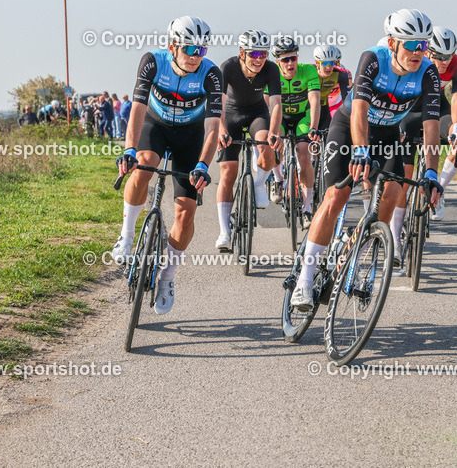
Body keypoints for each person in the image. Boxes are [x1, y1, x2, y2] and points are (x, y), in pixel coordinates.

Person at [291, 9, 444, 311]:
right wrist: (360, 150)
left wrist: (431, 172)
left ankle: (357, 249)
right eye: (411, 45)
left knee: (393, 192)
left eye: (423, 45)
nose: (418, 51)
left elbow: (431, 127)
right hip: (349, 128)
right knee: (336, 196)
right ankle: (304, 281)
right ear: (393, 43)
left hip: (387, 135)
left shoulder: (428, 73)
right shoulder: (373, 58)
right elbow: (359, 108)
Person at [112, 16, 222, 315]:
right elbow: (137, 108)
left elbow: (213, 127)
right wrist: (129, 149)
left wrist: (203, 165)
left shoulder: (212, 74)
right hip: (156, 126)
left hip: (190, 136)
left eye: (201, 50)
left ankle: (167, 277)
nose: (195, 56)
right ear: (172, 46)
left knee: (185, 213)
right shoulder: (152, 61)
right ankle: (127, 235)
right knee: (144, 163)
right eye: (189, 49)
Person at [392, 25, 457, 248]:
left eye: (449, 56)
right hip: (409, 110)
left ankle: (439, 188)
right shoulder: (414, 60)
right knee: (404, 178)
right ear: (427, 50)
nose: (445, 62)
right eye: (439, 56)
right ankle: (394, 239)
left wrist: (456, 128)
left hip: (436, 108)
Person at [214, 30, 283, 251]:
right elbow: (218, 103)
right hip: (231, 115)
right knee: (228, 173)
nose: (259, 59)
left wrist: (274, 133)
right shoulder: (228, 67)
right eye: (254, 54)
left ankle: (258, 185)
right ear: (242, 53)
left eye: (263, 54)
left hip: (257, 114)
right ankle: (224, 232)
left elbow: (276, 104)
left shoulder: (271, 69)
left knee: (266, 148)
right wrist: (221, 130)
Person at [267, 37, 321, 227]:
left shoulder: (309, 71)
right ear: (277, 61)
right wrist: (270, 130)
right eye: (285, 60)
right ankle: (278, 179)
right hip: (280, 117)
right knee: (275, 145)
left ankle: (307, 209)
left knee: (304, 156)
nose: (291, 63)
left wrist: (314, 127)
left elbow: (314, 101)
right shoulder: (271, 73)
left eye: (294, 58)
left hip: (302, 117)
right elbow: (266, 104)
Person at [312, 44, 350, 136]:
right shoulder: (309, 71)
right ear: (317, 63)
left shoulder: (340, 73)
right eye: (325, 63)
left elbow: (346, 99)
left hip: (324, 107)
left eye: (332, 63)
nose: (329, 67)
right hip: (308, 108)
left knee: (328, 134)